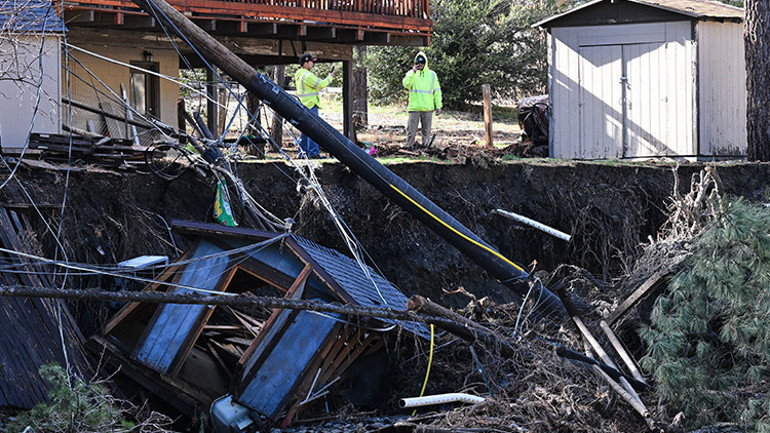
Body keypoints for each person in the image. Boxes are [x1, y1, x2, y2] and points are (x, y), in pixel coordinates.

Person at [294, 53, 335, 158]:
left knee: (305, 130)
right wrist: (330, 78)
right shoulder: (307, 75)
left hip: (303, 105)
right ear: (306, 63)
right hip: (310, 105)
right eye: (311, 62)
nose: (312, 64)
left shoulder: (299, 75)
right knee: (314, 130)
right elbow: (321, 84)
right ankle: (313, 153)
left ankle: (302, 153)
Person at [402, 51, 442, 148]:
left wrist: (438, 105)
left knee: (426, 132)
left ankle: (426, 148)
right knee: (411, 131)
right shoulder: (411, 73)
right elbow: (406, 85)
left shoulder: (432, 75)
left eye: (422, 62)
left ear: (425, 63)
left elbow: (437, 91)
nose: (420, 64)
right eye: (418, 62)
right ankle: (409, 148)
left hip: (427, 108)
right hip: (414, 108)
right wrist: (413, 73)